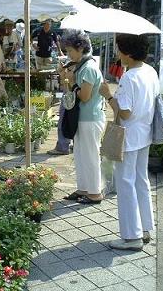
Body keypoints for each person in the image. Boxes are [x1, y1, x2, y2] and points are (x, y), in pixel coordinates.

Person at [99, 33, 159, 251]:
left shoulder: (129, 77)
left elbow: (124, 112)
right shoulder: (150, 71)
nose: (117, 53)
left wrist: (108, 95)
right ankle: (144, 228)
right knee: (141, 181)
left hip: (129, 136)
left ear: (128, 52)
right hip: (145, 134)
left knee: (125, 183)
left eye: (119, 49)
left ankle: (131, 236)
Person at [60, 29, 105, 204]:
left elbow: (85, 96)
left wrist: (71, 82)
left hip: (90, 118)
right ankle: (83, 188)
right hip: (82, 118)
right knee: (80, 155)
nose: (68, 54)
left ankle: (94, 193)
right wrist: (66, 77)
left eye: (70, 50)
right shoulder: (81, 66)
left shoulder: (89, 68)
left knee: (90, 155)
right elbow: (72, 92)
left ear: (80, 48)